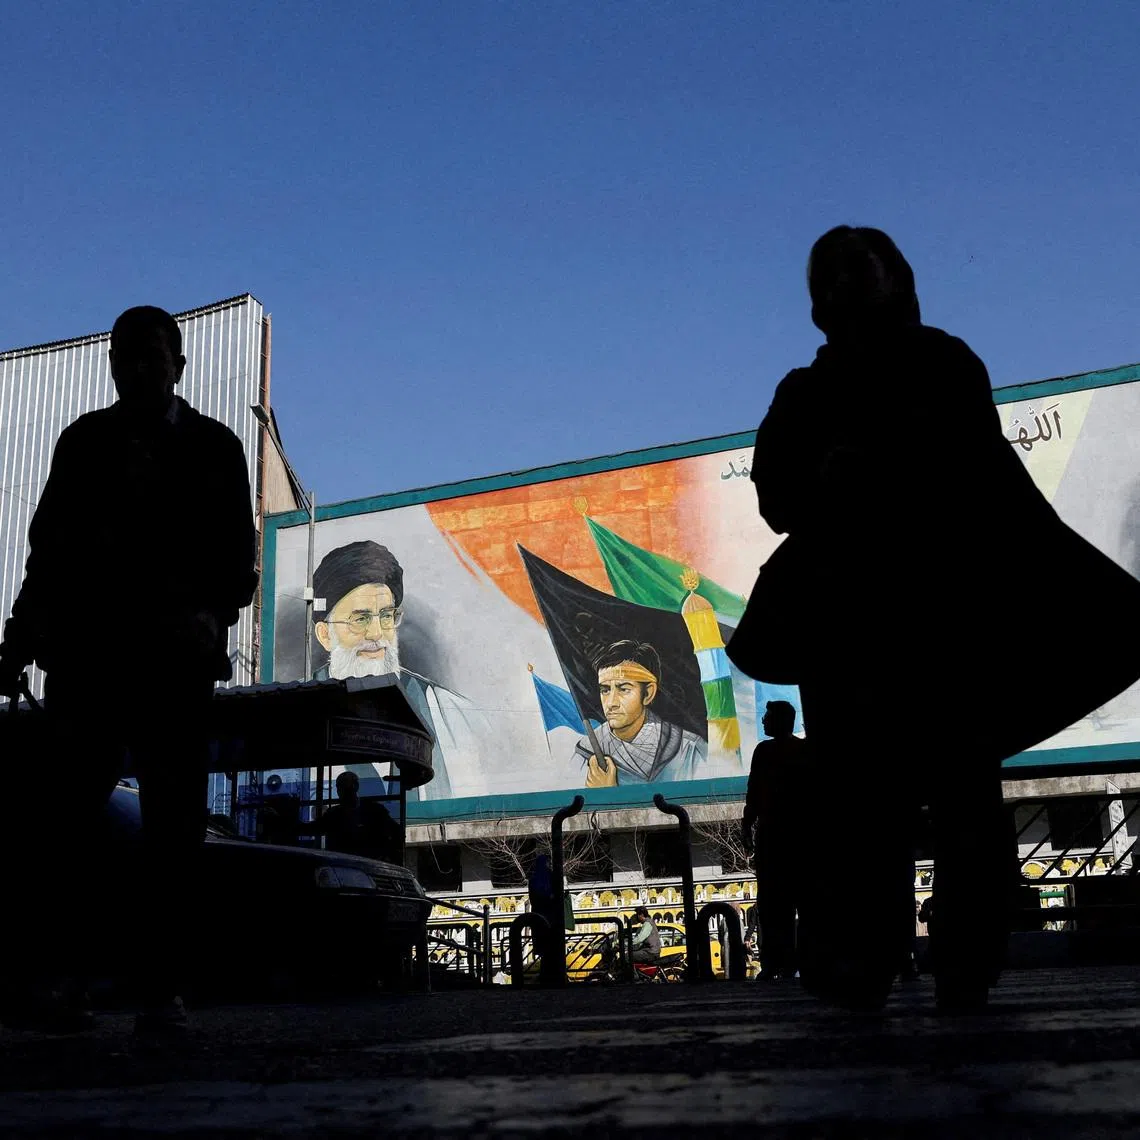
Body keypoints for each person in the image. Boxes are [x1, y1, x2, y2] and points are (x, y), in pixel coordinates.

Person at [731, 226, 1140, 1013]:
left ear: (897, 279)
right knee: (860, 799)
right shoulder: (802, 394)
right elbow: (777, 498)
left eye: (864, 268)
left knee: (959, 792)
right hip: (846, 622)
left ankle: (964, 954)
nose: (850, 285)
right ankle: (865, 955)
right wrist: (827, 477)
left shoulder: (945, 364)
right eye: (834, 274)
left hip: (946, 617)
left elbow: (988, 484)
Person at [0, 305, 257, 1033]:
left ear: (179, 363)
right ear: (114, 367)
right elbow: (46, 556)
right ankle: (63, 980)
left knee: (172, 830)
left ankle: (160, 988)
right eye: (124, 356)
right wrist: (18, 641)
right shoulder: (83, 443)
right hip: (89, 663)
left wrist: (212, 616)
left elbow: (237, 560)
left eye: (151, 354)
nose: (137, 367)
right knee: (69, 827)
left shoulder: (216, 449)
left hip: (173, 668)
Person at [310, 540, 488, 800]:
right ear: (325, 634)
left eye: (386, 616)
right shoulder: (300, 714)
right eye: (360, 619)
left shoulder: (449, 711)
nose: (376, 634)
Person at [575, 640, 707, 787]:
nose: (611, 703)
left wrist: (608, 796)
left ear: (648, 694)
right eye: (605, 690)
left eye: (624, 689)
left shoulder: (690, 749)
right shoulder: (584, 754)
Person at [741, 701, 806, 980]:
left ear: (781, 720)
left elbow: (753, 793)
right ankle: (788, 962)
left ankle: (775, 962)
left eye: (767, 716)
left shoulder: (766, 752)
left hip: (778, 838)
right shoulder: (799, 751)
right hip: (795, 838)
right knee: (789, 903)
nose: (763, 721)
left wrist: (747, 824)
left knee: (774, 904)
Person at [299, 771, 403, 864]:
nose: (343, 793)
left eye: (346, 788)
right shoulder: (334, 814)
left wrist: (386, 856)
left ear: (355, 787)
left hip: (366, 865)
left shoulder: (374, 811)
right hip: (343, 865)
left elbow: (396, 832)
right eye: (341, 788)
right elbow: (314, 828)